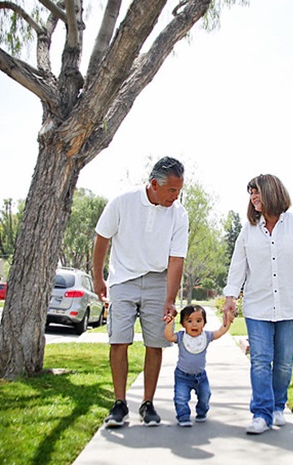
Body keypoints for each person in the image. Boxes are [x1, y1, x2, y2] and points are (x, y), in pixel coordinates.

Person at [93, 157, 189, 428]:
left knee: (155, 343)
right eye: (171, 190)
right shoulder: (123, 202)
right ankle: (119, 404)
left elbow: (176, 258)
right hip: (123, 279)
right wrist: (98, 278)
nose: (175, 196)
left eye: (179, 191)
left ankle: (147, 404)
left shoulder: (179, 214)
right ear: (154, 184)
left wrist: (170, 299)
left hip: (158, 280)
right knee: (119, 340)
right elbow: (102, 237)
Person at [223, 174, 293, 435]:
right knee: (260, 360)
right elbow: (237, 267)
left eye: (257, 192)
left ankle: (278, 406)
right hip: (258, 306)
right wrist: (230, 297)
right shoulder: (248, 230)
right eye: (250, 193)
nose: (253, 197)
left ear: (272, 192)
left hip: (290, 306)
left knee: (284, 362)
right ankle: (261, 413)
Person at [165, 304, 232, 427]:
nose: (194, 324)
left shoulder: (206, 336)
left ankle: (202, 412)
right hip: (182, 376)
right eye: (189, 321)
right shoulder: (181, 337)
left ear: (204, 323)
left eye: (198, 321)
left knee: (205, 395)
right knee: (181, 398)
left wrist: (227, 321)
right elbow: (169, 336)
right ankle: (183, 416)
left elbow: (220, 332)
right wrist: (169, 324)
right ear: (183, 324)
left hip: (201, 377)